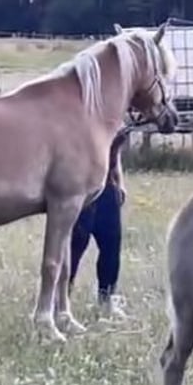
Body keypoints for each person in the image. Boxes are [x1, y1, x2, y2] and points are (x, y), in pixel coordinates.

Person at [68, 127, 132, 319]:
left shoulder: (116, 119)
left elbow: (115, 154)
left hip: (108, 187)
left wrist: (119, 182)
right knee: (75, 245)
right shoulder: (84, 116)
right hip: (83, 188)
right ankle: (61, 299)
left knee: (111, 247)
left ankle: (106, 300)